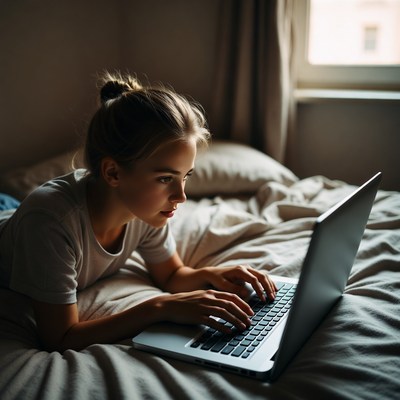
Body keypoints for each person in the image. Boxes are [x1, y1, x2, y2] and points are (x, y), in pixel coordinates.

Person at [0, 72, 277, 352]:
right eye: (165, 179)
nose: (180, 196)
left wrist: (214, 275)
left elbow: (171, 275)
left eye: (185, 176)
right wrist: (158, 307)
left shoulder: (147, 211)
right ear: (113, 172)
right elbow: (60, 337)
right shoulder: (51, 223)